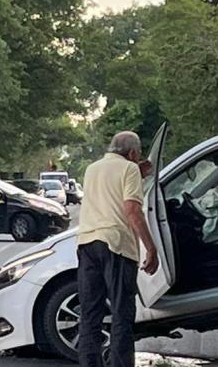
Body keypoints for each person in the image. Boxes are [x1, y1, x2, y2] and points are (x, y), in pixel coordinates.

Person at [77, 131, 159, 367]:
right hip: (117, 246)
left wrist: (136, 173)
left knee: (90, 317)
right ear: (133, 153)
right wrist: (151, 249)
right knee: (122, 316)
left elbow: (109, 191)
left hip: (87, 244)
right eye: (138, 155)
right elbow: (132, 210)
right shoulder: (129, 169)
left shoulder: (92, 169)